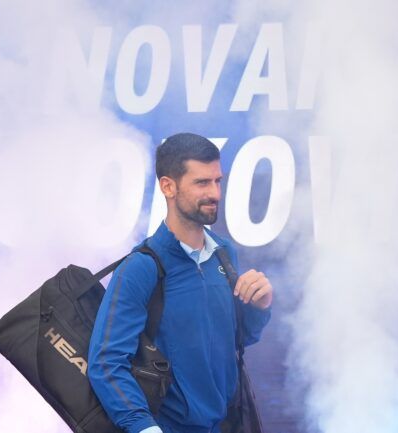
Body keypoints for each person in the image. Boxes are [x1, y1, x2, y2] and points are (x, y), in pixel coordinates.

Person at [88, 132, 273, 433]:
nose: (215, 193)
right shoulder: (141, 268)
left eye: (217, 181)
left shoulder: (224, 254)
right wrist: (144, 427)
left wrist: (259, 306)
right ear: (168, 186)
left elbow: (237, 339)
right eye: (202, 183)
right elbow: (106, 362)